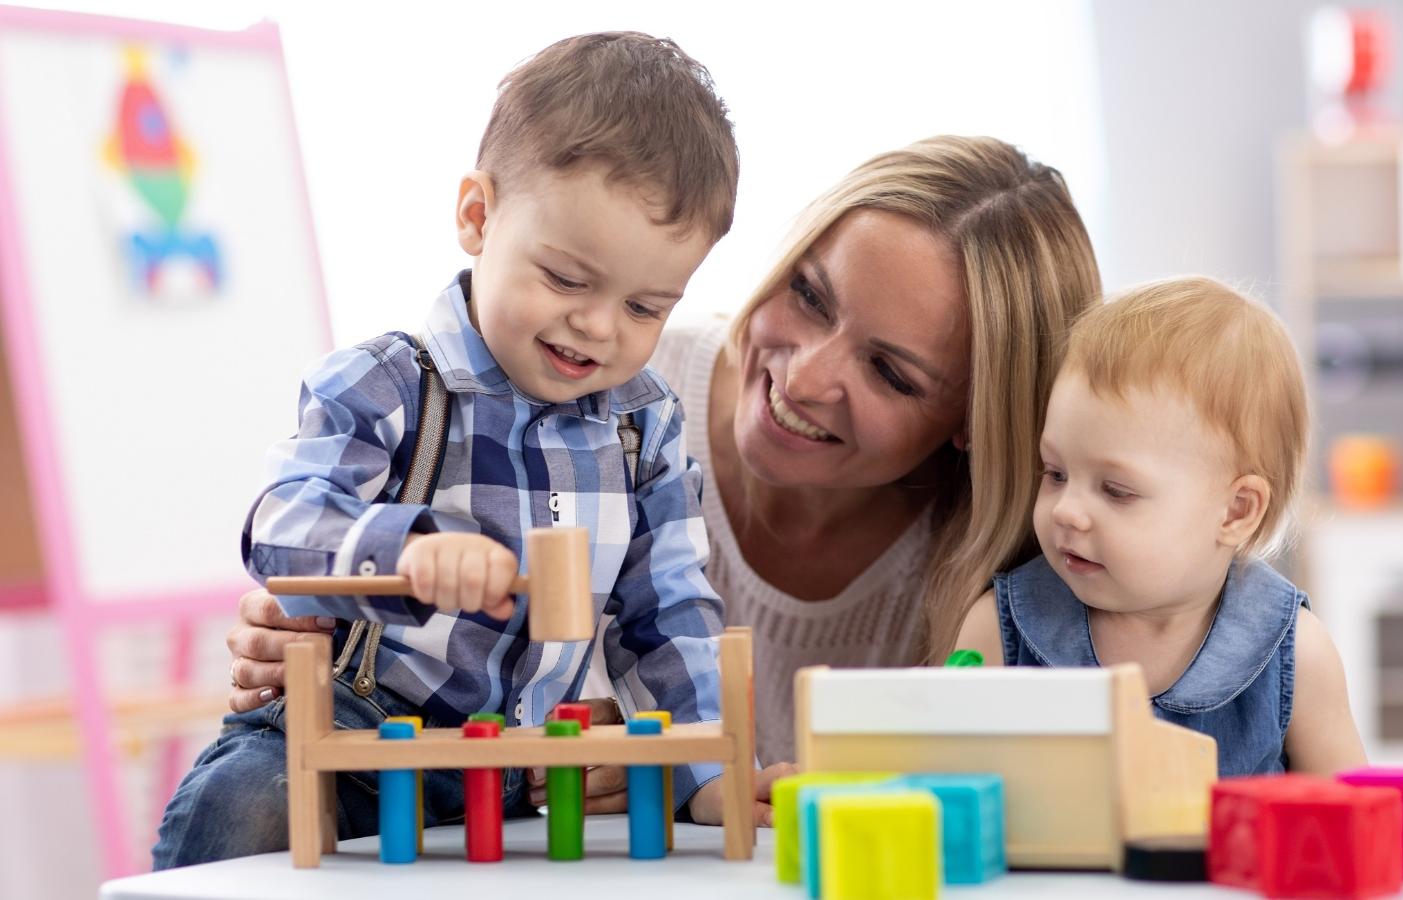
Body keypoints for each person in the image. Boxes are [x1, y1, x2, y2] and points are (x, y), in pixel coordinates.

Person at [224, 135, 1105, 811]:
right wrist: (341, 606)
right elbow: (321, 536)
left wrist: (677, 766)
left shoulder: (1004, 579)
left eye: (892, 374)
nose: (802, 378)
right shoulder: (600, 384)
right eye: (808, 293)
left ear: (971, 423)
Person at [154, 31, 772, 868]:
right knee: (250, 806)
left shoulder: (643, 427)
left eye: (646, 307)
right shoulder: (386, 382)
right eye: (565, 279)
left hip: (515, 769)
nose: (598, 327)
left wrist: (709, 770)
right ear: (478, 217)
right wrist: (410, 550)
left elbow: (671, 616)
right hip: (356, 733)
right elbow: (281, 523)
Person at [957, 277, 1368, 776]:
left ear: (1236, 512)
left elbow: (1355, 818)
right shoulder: (1000, 630)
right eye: (1056, 474)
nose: (1066, 510)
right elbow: (952, 801)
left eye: (1116, 491)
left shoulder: (1298, 654)